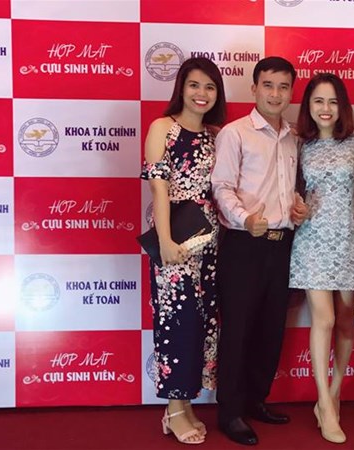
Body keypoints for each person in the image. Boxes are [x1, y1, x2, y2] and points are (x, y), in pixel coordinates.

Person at [211, 56, 308, 446]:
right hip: (243, 245)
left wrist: (297, 207)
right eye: (268, 85)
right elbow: (221, 186)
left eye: (283, 87)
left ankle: (256, 400)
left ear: (291, 92)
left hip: (282, 247)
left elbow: (292, 188)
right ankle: (230, 412)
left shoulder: (294, 137)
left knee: (270, 329)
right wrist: (244, 218)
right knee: (238, 330)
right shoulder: (234, 133)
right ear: (254, 88)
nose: (275, 94)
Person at [141, 56, 226, 445]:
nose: (201, 93)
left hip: (209, 244)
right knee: (176, 321)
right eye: (194, 85)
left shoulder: (216, 135)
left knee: (201, 322)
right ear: (181, 88)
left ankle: (185, 404)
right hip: (174, 239)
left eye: (209, 87)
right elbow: (158, 188)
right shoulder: (163, 128)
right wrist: (165, 242)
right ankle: (175, 410)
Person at [288, 73, 354, 444]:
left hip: (351, 240)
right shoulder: (298, 145)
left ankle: (333, 395)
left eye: (333, 101)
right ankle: (323, 400)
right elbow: (288, 192)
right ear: (308, 106)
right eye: (318, 101)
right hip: (313, 242)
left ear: (343, 107)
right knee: (325, 319)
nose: (325, 108)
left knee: (347, 322)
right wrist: (296, 207)